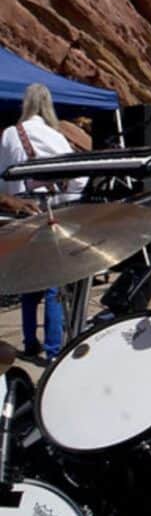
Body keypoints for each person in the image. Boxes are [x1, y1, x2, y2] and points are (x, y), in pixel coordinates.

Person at [0, 84, 84, 362]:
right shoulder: (55, 135)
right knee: (52, 283)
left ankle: (30, 340)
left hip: (20, 215)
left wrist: (15, 202)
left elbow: (2, 178)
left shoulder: (10, 134)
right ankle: (53, 350)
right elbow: (78, 176)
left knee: (28, 280)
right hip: (50, 212)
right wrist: (67, 200)